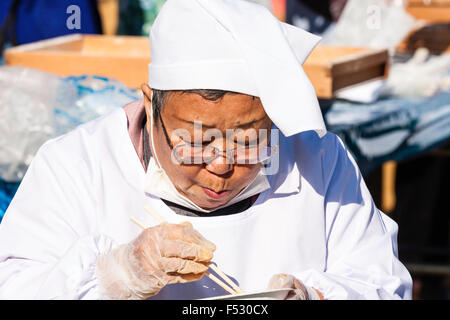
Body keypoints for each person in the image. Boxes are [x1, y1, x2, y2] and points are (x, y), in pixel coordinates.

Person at [0, 0, 412, 300]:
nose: (221, 165)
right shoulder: (78, 166)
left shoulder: (318, 161)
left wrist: (312, 296)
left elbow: (382, 282)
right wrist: (115, 275)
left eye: (250, 139)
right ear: (149, 104)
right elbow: (15, 287)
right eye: (195, 141)